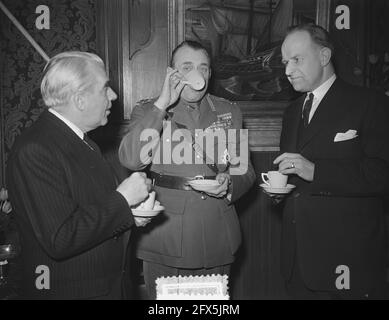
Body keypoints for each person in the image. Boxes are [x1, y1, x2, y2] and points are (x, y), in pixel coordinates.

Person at [6, 51, 152, 300]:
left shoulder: (81, 141)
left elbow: (87, 211)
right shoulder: (36, 149)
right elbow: (60, 238)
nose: (113, 96)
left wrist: (130, 215)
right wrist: (123, 200)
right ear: (80, 99)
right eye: (105, 88)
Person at [119, 40, 256, 299]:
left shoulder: (228, 111)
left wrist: (228, 185)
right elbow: (131, 159)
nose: (198, 74)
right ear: (172, 73)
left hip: (217, 235)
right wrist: (161, 105)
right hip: (166, 238)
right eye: (188, 66)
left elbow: (245, 171)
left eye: (203, 68)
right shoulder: (149, 109)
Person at [271, 23, 389, 299]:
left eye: (297, 60)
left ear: (324, 57)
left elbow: (382, 173)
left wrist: (317, 171)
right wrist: (278, 190)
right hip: (297, 264)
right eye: (285, 62)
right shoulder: (291, 112)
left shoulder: (370, 103)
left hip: (346, 262)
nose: (288, 70)